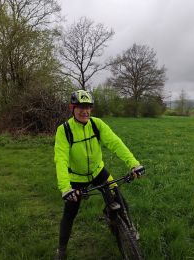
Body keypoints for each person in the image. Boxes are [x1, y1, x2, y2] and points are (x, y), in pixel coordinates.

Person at [54, 90, 143, 259]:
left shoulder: (97, 124)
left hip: (98, 171)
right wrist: (66, 188)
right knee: (69, 214)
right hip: (76, 178)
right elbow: (61, 159)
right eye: (80, 107)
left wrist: (134, 164)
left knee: (121, 201)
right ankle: (62, 249)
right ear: (72, 108)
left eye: (88, 107)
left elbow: (116, 144)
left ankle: (128, 229)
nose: (85, 111)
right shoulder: (64, 130)